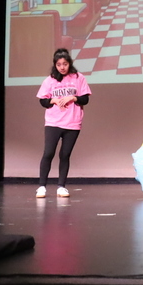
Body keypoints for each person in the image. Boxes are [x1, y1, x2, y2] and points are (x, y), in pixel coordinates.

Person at [35, 48, 91, 198]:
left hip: (72, 123)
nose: (62, 67)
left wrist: (73, 98)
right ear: (55, 65)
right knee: (48, 153)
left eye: (65, 64)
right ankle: (41, 187)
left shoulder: (79, 78)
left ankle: (61, 186)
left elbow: (85, 99)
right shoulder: (50, 80)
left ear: (69, 64)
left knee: (65, 155)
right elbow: (43, 101)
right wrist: (53, 100)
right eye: (59, 64)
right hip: (53, 122)